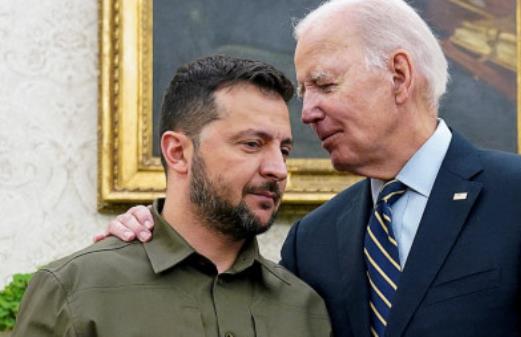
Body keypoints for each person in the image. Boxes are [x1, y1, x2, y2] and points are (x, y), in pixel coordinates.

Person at [100, 1, 521, 336]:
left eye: (324, 84)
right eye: (305, 92)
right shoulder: (313, 239)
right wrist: (152, 230)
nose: (308, 110)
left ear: (399, 76)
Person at [13, 55, 331, 337]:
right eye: (251, 144)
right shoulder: (75, 290)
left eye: (285, 150)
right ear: (178, 152)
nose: (278, 169)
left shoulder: (304, 308)